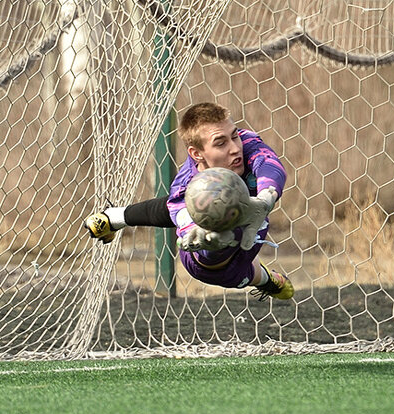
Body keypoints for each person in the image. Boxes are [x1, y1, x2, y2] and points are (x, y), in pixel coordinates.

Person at [82, 102, 294, 300]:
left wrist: (266, 196)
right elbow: (183, 220)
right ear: (197, 154)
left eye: (234, 136)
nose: (234, 148)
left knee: (177, 208)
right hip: (208, 263)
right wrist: (204, 234)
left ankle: (112, 217)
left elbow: (269, 163)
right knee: (235, 262)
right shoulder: (184, 189)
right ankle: (267, 279)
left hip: (251, 225)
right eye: (220, 143)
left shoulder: (245, 142)